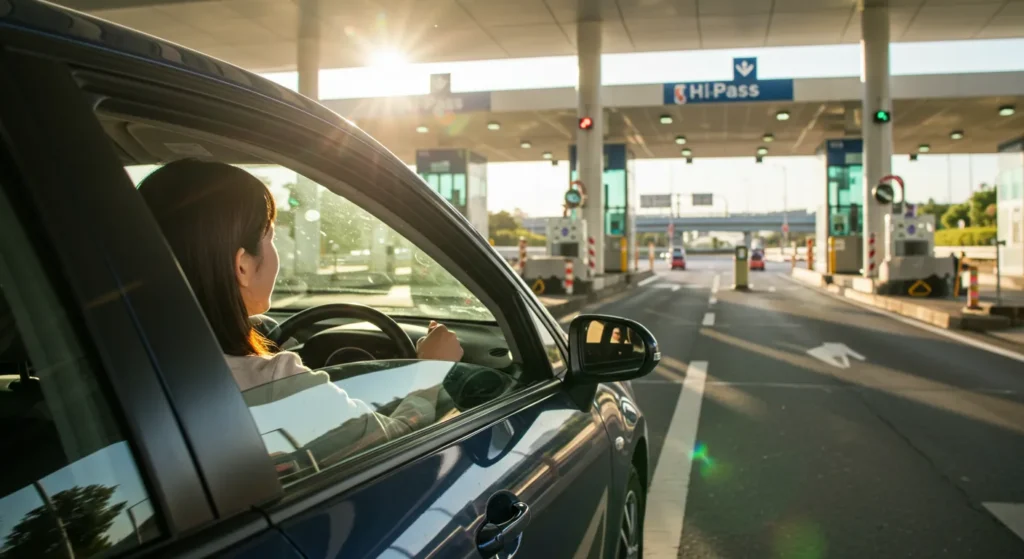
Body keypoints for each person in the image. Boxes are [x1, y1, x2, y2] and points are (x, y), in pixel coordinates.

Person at [138, 159, 464, 459]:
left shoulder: (121, 366)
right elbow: (398, 441)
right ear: (242, 266)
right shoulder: (275, 386)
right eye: (270, 238)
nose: (275, 251)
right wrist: (430, 371)